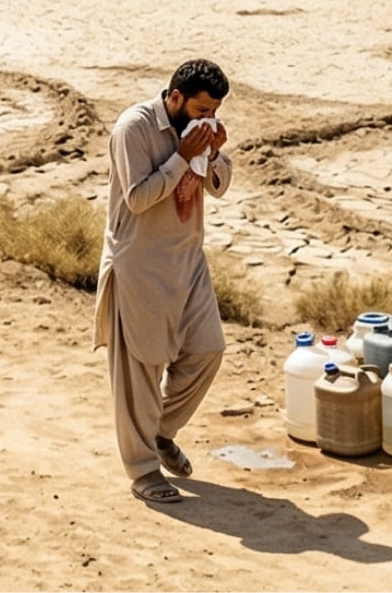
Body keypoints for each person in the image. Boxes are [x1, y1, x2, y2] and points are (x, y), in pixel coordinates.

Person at [93, 58, 233, 504]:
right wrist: (183, 156)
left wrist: (212, 152)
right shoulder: (132, 129)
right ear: (175, 98)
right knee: (142, 368)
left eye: (213, 111)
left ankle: (160, 432)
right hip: (139, 265)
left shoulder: (200, 130)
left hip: (187, 260)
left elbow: (218, 185)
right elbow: (137, 199)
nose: (207, 118)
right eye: (200, 110)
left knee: (208, 349)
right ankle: (143, 470)